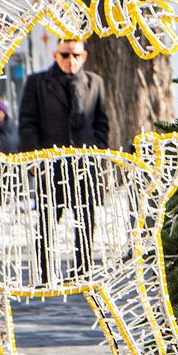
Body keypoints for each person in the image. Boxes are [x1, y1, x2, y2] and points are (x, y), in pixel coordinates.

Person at [18, 39, 110, 282]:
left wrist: (97, 153)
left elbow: (102, 122)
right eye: (66, 55)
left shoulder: (94, 82)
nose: (72, 61)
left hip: (84, 164)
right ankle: (44, 272)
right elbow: (27, 123)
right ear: (56, 55)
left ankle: (83, 270)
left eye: (76, 55)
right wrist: (34, 159)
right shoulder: (38, 83)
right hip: (52, 163)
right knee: (48, 219)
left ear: (84, 56)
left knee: (86, 218)